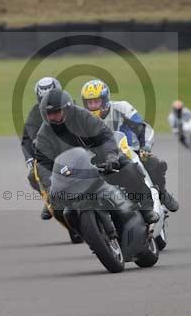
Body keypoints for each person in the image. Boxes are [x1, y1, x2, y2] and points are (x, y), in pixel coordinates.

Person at [33, 88, 160, 225]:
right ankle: (83, 230)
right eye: (49, 114)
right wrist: (50, 186)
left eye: (57, 112)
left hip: (100, 158)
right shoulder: (44, 135)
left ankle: (147, 209)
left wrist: (111, 157)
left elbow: (105, 136)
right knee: (62, 208)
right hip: (73, 170)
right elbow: (43, 163)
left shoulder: (83, 116)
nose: (53, 117)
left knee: (129, 169)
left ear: (67, 109)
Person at [79, 79, 179, 213]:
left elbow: (143, 129)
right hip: (102, 159)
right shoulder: (83, 119)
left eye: (96, 101)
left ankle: (162, 192)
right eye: (90, 103)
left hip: (129, 151)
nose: (93, 106)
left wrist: (145, 147)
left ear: (105, 100)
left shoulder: (122, 108)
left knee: (154, 164)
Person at [21, 76, 61, 220]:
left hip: (71, 149)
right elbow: (27, 139)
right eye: (44, 98)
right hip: (47, 154)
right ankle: (49, 199)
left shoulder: (69, 106)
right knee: (33, 175)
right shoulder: (34, 114)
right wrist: (30, 158)